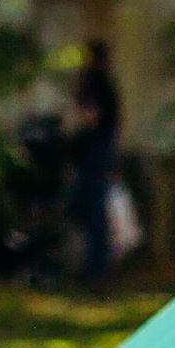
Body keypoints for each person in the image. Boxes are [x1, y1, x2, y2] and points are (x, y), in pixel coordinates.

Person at [69, 38, 122, 282]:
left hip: (94, 154)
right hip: (101, 152)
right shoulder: (106, 83)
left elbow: (92, 117)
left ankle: (95, 267)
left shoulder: (95, 82)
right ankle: (97, 264)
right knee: (94, 209)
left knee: (91, 210)